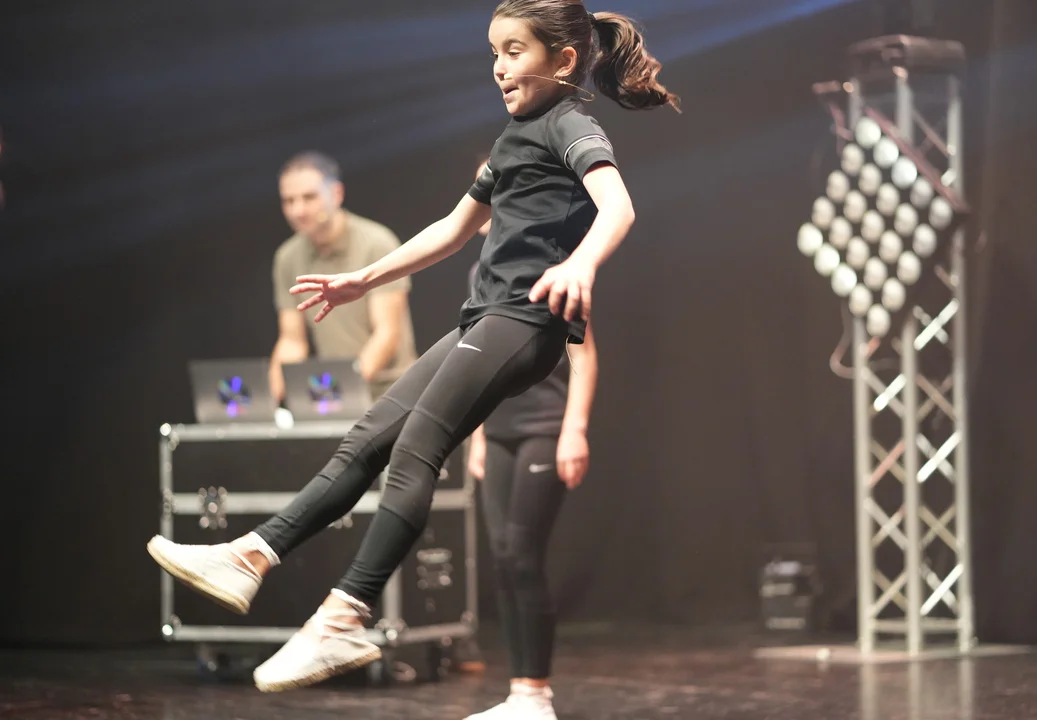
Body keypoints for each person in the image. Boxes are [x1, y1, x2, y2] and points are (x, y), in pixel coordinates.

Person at [146, 0, 678, 701]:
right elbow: (453, 229)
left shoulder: (569, 123)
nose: (499, 67)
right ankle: (251, 555)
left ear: (564, 60)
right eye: (493, 53)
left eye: (514, 51)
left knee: (416, 449)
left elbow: (619, 206)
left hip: (522, 323)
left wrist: (580, 264)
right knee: (368, 437)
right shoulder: (515, 137)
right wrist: (363, 279)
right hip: (484, 319)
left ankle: (345, 616)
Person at [464, 227, 599, 720]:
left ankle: (537, 695)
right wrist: (478, 434)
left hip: (545, 426)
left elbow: (583, 352)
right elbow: (479, 358)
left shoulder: (559, 268)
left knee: (523, 555)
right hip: (498, 430)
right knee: (503, 556)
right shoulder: (481, 271)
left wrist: (574, 430)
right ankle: (519, 693)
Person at [270, 151, 417, 403]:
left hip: (392, 393)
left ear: (336, 194)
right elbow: (292, 341)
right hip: (336, 394)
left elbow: (386, 333)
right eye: (289, 201)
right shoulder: (288, 257)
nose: (298, 210)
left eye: (309, 197)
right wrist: (269, 404)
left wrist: (339, 395)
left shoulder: (375, 243)